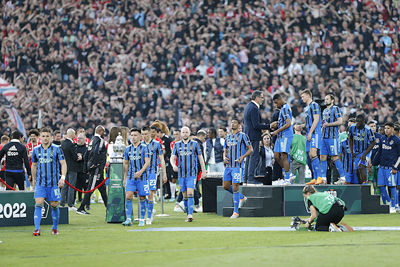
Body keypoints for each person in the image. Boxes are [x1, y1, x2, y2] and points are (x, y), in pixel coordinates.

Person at [31, 127, 67, 236]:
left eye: (47, 136)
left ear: (51, 137)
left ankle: (54, 228)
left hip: (54, 183)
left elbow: (63, 163)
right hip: (40, 183)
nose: (45, 138)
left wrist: (63, 178)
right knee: (38, 203)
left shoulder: (57, 149)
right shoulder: (36, 150)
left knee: (54, 205)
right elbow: (34, 165)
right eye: (43, 136)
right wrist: (33, 181)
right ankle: (37, 229)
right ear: (39, 137)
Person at [171, 127, 207, 222]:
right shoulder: (177, 145)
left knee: (190, 192)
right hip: (182, 174)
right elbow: (172, 157)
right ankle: (188, 214)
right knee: (185, 195)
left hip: (192, 174)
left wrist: (203, 171)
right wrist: (173, 165)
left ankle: (190, 215)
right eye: (183, 132)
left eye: (187, 132)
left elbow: (200, 158)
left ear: (189, 133)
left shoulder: (195, 144)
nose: (185, 134)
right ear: (181, 134)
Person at [223, 118, 253, 218]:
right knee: (226, 186)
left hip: (237, 166)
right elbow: (225, 150)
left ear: (239, 125)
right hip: (228, 166)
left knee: (235, 186)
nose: (233, 124)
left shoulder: (243, 136)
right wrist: (224, 157)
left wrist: (242, 157)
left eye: (235, 122)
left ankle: (235, 212)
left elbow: (250, 149)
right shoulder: (228, 137)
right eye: (231, 122)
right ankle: (241, 197)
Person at [76, 126, 108, 215]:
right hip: (96, 169)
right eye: (103, 131)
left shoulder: (92, 140)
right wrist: (95, 165)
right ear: (100, 131)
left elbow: (86, 154)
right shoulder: (100, 141)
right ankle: (81, 208)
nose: (104, 133)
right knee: (90, 189)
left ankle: (109, 208)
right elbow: (96, 153)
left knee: (103, 189)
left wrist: (87, 167)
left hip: (94, 169)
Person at [122, 128, 150, 227]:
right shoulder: (127, 149)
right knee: (128, 196)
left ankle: (142, 219)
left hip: (142, 177)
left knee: (142, 197)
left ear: (140, 136)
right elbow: (126, 164)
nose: (133, 137)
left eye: (135, 135)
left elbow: (147, 162)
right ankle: (129, 219)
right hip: (130, 177)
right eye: (132, 135)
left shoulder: (144, 147)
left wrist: (140, 172)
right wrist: (125, 178)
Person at [243, 90, 271, 185]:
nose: (263, 99)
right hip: (253, 136)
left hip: (248, 135)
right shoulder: (254, 108)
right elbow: (256, 125)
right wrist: (269, 126)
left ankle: (246, 178)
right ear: (256, 97)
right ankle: (250, 178)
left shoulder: (248, 106)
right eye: (262, 97)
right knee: (254, 156)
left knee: (249, 156)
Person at [141, 126, 167, 225]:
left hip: (152, 172)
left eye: (146, 134)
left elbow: (162, 159)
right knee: (143, 195)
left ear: (150, 134)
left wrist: (164, 174)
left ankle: (149, 217)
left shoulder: (156, 144)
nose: (144, 136)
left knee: (150, 193)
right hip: (142, 173)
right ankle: (150, 210)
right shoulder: (140, 144)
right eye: (142, 134)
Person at [320, 94, 346, 185]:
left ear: (332, 100)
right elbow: (323, 124)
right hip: (324, 137)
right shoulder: (324, 111)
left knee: (335, 157)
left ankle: (343, 177)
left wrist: (329, 125)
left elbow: (340, 121)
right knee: (322, 157)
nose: (325, 100)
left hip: (333, 137)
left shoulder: (336, 109)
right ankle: (323, 179)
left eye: (327, 99)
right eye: (325, 99)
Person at [376, 122, 400, 213]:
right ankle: (390, 202)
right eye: (385, 128)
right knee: (381, 186)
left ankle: (394, 206)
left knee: (392, 187)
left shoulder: (397, 140)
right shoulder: (382, 138)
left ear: (393, 129)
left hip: (391, 168)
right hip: (381, 167)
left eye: (388, 128)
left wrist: (395, 167)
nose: (386, 130)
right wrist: (374, 163)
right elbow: (379, 152)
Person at [300, 90, 322, 185]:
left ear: (309, 95)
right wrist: (301, 126)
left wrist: (310, 132)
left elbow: (316, 119)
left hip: (315, 133)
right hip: (309, 133)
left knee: (313, 154)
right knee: (309, 156)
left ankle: (319, 177)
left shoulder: (314, 105)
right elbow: (309, 122)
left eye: (303, 96)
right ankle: (314, 177)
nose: (302, 98)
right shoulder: (307, 108)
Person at [271, 94, 294, 184]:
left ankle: (287, 178)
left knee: (284, 155)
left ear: (280, 99)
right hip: (280, 135)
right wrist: (277, 124)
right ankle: (289, 173)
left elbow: (288, 123)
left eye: (276, 103)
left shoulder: (285, 108)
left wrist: (277, 131)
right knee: (276, 155)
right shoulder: (282, 109)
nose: (276, 105)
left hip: (286, 135)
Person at [348, 114, 376, 184]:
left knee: (361, 166)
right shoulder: (352, 127)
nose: (357, 124)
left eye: (359, 122)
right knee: (357, 170)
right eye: (356, 122)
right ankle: (360, 184)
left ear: (363, 122)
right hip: (356, 151)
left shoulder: (368, 129)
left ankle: (365, 184)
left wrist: (364, 155)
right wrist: (352, 152)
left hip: (366, 151)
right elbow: (350, 138)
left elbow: (373, 143)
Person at [60, 129, 80, 211]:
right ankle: (70, 205)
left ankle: (61, 203)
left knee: (64, 186)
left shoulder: (63, 143)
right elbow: (74, 157)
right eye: (74, 133)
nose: (75, 135)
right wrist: (79, 156)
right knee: (72, 186)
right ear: (72, 134)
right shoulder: (71, 144)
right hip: (72, 168)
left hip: (64, 168)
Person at [338, 119, 357, 184]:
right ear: (346, 132)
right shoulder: (343, 143)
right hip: (346, 168)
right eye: (348, 132)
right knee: (348, 184)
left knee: (356, 185)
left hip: (356, 168)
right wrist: (342, 164)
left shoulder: (358, 143)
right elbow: (339, 155)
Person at [75, 133, 88, 205]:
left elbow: (89, 158)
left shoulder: (87, 149)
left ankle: (86, 200)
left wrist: (82, 157)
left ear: (84, 140)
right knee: (77, 186)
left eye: (80, 138)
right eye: (78, 138)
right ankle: (78, 199)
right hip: (76, 170)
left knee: (85, 186)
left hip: (84, 170)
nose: (78, 140)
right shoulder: (74, 148)